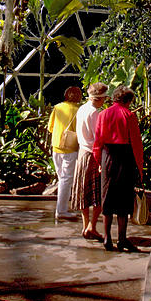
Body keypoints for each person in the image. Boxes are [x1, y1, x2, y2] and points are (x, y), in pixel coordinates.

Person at [92, 85, 144, 252]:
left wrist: (99, 161)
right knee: (124, 199)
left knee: (107, 196)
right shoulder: (129, 115)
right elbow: (136, 143)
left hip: (108, 156)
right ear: (127, 101)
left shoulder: (103, 114)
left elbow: (98, 140)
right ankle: (122, 239)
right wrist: (140, 167)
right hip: (125, 158)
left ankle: (107, 238)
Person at [69, 82, 108, 241]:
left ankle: (85, 226)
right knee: (97, 194)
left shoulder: (82, 109)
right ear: (99, 98)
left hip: (82, 153)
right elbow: (98, 137)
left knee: (83, 192)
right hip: (93, 154)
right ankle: (92, 225)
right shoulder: (94, 113)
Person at [48, 86, 82, 220]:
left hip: (56, 146)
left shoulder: (57, 107)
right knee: (66, 179)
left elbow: (51, 128)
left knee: (62, 178)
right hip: (70, 148)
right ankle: (61, 210)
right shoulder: (78, 110)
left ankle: (63, 208)